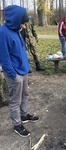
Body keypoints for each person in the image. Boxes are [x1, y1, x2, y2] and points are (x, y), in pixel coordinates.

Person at [0, 5, 39, 137]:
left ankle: (24, 115)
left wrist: (26, 68)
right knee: (15, 100)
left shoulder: (17, 29)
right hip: (14, 74)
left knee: (25, 94)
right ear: (15, 19)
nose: (24, 25)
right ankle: (17, 124)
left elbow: (21, 51)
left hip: (23, 70)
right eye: (22, 22)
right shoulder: (3, 33)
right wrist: (13, 75)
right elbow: (4, 58)